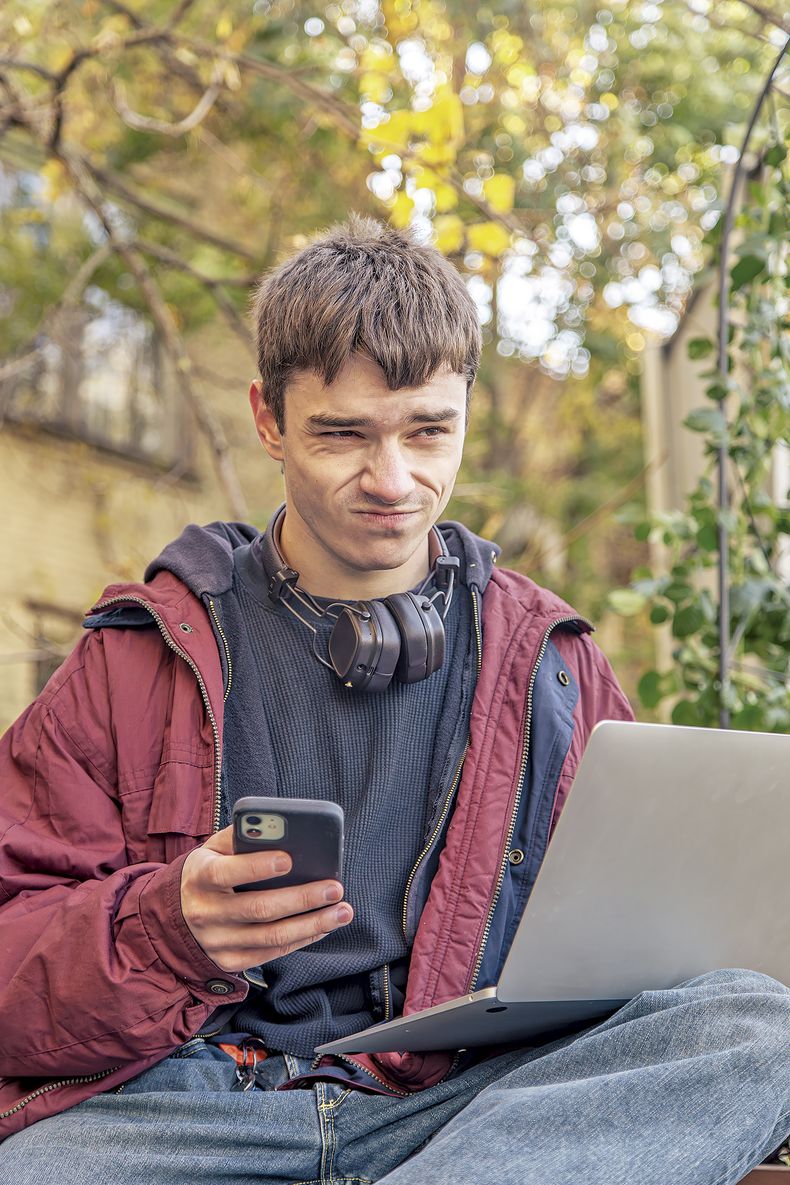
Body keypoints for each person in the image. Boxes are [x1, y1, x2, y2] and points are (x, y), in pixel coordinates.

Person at [0, 216, 787, 1185]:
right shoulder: (136, 659)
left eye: (428, 432)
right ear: (267, 419)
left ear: (466, 415)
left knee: (756, 1024)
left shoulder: (549, 664)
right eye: (343, 435)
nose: (393, 481)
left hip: (458, 1112)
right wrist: (169, 928)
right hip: (191, 1109)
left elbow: (650, 951)